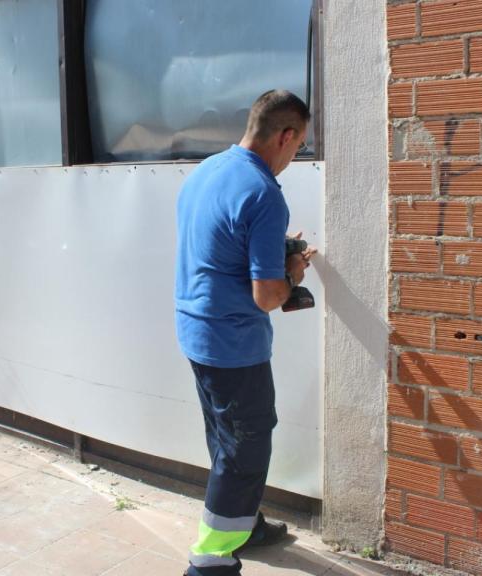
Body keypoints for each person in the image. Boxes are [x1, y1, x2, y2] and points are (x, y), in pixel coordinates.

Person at [174, 89, 317, 576]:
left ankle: (246, 522)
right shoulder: (262, 192)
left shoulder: (208, 171)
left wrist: (273, 249)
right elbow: (268, 297)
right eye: (298, 149)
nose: (294, 158)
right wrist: (293, 271)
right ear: (285, 136)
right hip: (234, 343)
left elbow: (219, 243)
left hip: (196, 331)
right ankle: (210, 558)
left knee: (224, 436)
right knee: (246, 446)